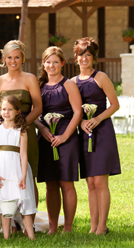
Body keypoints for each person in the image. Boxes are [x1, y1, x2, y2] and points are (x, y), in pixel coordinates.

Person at [72, 38, 121, 235]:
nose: (84, 59)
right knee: (90, 183)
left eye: (88, 55)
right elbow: (73, 110)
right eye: (81, 55)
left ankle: (102, 226)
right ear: (75, 58)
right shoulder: (72, 83)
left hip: (102, 132)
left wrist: (97, 119)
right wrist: (82, 122)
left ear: (93, 58)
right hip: (84, 134)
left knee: (101, 182)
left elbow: (115, 104)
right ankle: (93, 227)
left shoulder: (100, 77)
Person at [0, 40, 42, 223]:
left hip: (24, 131)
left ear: (22, 58)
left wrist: (20, 125)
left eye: (17, 57)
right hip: (5, 136)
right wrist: (3, 123)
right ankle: (11, 221)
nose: (13, 61)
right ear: (4, 59)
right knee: (7, 174)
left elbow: (38, 107)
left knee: (28, 176)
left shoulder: (30, 79)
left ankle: (30, 222)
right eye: (9, 57)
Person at [35, 47, 82, 234]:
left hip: (66, 137)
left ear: (62, 63)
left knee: (66, 182)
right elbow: (35, 114)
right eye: (48, 61)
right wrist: (43, 129)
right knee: (51, 184)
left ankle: (68, 227)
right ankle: (53, 227)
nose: (51, 65)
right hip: (46, 137)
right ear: (43, 64)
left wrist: (65, 136)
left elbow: (78, 112)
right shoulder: (38, 86)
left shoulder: (68, 84)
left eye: (55, 61)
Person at [0, 95, 38, 240]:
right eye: (3, 109)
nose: (6, 112)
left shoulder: (21, 130)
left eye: (10, 109)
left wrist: (23, 175)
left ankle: (31, 236)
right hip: (1, 170)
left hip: (16, 169)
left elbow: (24, 155)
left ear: (17, 111)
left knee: (23, 200)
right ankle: (6, 236)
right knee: (4, 202)